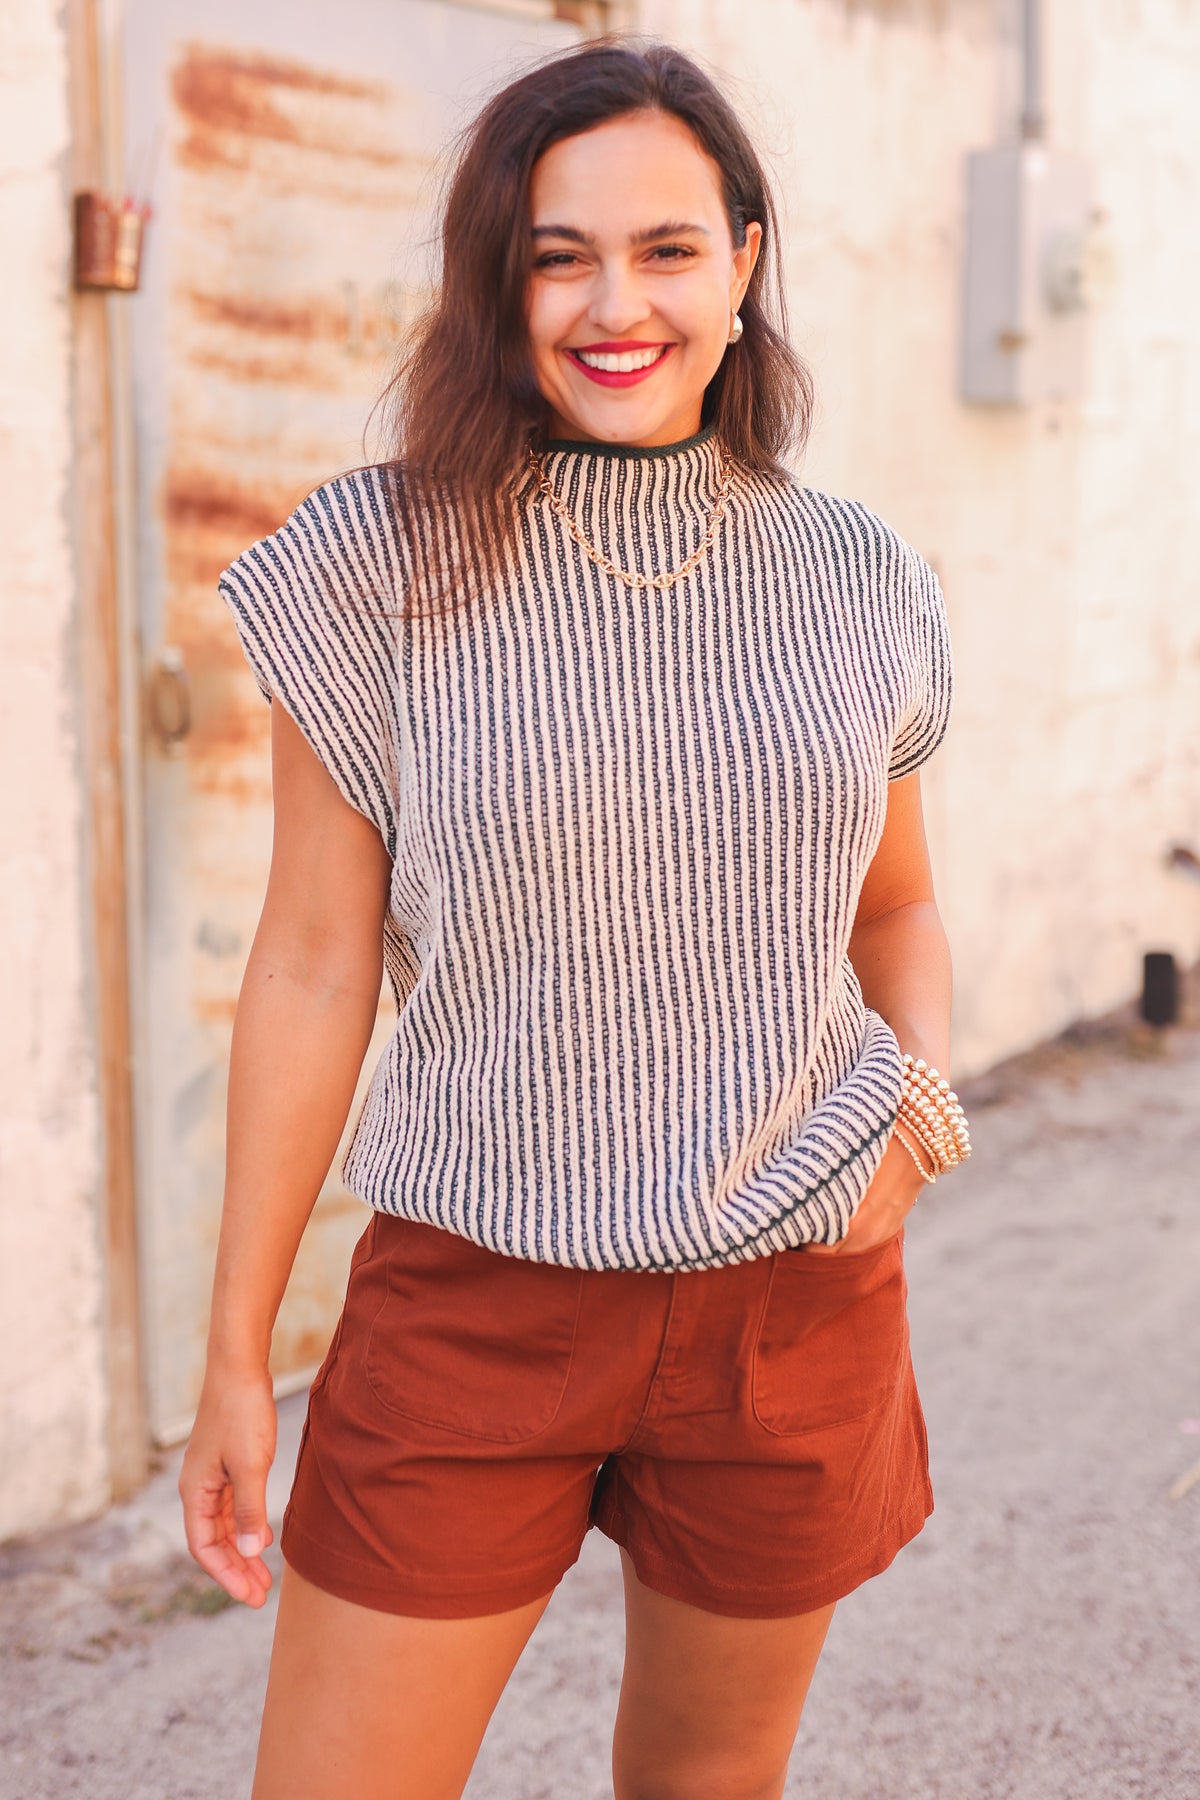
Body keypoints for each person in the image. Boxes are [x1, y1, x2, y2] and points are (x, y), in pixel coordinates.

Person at [180, 36, 970, 1800]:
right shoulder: (372, 558)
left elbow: (898, 911)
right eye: (560, 256)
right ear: (501, 281)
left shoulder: (861, 577)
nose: (617, 303)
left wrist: (916, 1114)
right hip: (478, 1301)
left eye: (669, 249)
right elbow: (314, 962)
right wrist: (235, 1353)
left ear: (745, 263)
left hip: (794, 1290)